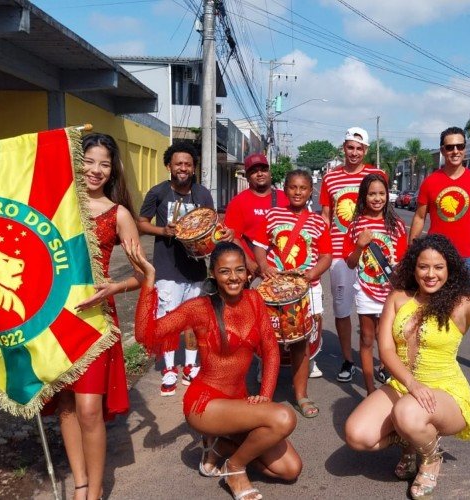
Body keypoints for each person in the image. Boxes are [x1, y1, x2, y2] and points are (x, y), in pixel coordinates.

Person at [344, 227, 470, 499]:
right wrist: (411, 383)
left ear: (450, 269)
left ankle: (431, 458)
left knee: (408, 412)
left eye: (438, 267)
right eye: (423, 267)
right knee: (357, 435)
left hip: (446, 394)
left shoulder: (461, 305)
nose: (430, 274)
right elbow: (385, 349)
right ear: (413, 267)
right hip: (403, 384)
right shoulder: (398, 298)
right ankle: (412, 441)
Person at [124, 241, 302, 500]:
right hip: (205, 404)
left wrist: (264, 395)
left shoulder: (254, 300)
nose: (233, 278)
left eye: (239, 270)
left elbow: (271, 350)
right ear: (213, 274)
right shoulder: (200, 308)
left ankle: (222, 446)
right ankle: (235, 467)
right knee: (284, 418)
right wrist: (149, 279)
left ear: (247, 272)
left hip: (239, 403)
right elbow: (145, 334)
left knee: (290, 469)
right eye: (225, 271)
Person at [46, 132, 140, 500]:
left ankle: (95, 489)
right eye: (89, 161)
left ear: (112, 170)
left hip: (97, 320)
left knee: (88, 407)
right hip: (54, 317)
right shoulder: (57, 205)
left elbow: (143, 274)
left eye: (104, 163)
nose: (96, 170)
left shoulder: (118, 214)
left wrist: (115, 287)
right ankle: (80, 483)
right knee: (67, 404)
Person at [409, 126, 470, 379]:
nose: (455, 151)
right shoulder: (431, 182)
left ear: (465, 149)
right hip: (438, 259)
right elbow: (419, 217)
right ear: (442, 150)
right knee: (430, 306)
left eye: (459, 146)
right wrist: (412, 250)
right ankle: (423, 354)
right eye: (450, 147)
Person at [137, 143, 228, 396]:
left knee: (194, 320)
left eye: (188, 164)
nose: (183, 168)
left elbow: (212, 225)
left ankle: (190, 365)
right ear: (169, 166)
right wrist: (162, 231)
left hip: (197, 269)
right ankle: (168, 370)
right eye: (178, 164)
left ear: (194, 167)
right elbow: (141, 223)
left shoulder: (202, 194)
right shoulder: (157, 192)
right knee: (169, 320)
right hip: (167, 267)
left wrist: (223, 234)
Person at [252, 170, 333, 418]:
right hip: (275, 288)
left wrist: (310, 275)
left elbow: (326, 256)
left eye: (303, 188)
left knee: (300, 341)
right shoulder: (273, 215)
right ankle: (267, 393)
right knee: (269, 339)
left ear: (311, 191)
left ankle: (301, 395)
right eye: (293, 187)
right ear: (285, 190)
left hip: (307, 290)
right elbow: (259, 246)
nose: (298, 192)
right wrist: (264, 267)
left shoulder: (319, 222)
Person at [319, 127, 387, 383]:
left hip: (373, 253)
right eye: (350, 147)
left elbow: (384, 208)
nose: (354, 152)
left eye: (359, 148)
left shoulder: (377, 175)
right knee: (342, 308)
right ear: (343, 148)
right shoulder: (330, 178)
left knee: (377, 310)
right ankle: (348, 360)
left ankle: (383, 362)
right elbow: (326, 217)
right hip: (340, 253)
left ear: (366, 150)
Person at [343, 173, 407, 394]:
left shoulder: (397, 225)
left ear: (387, 195)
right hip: (366, 290)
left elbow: (404, 261)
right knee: (367, 338)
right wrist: (360, 246)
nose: (377, 198)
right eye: (372, 194)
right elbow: (351, 263)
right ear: (364, 196)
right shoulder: (356, 225)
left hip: (391, 291)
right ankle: (370, 390)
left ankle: (392, 385)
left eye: (381, 193)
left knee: (389, 338)